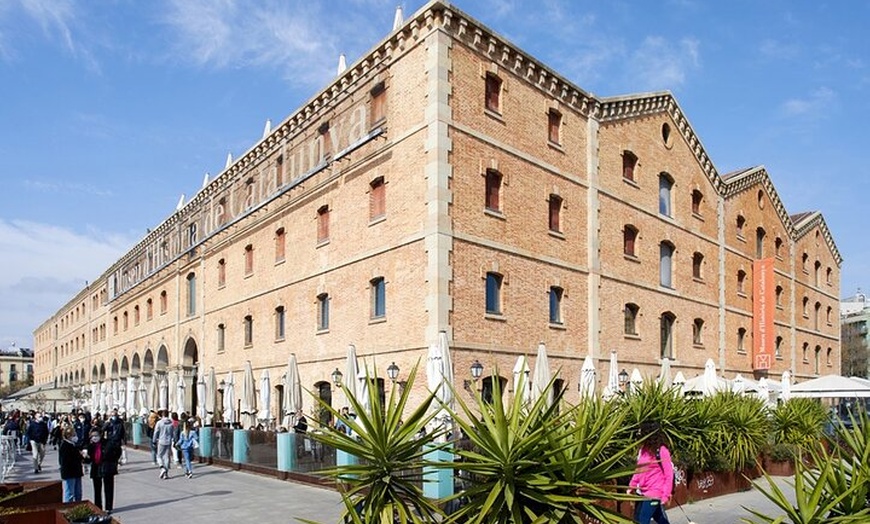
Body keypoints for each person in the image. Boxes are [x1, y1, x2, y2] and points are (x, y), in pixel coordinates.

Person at [629, 421, 674, 524]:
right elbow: (639, 470)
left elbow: (669, 474)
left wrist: (666, 495)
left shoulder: (662, 450)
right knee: (660, 519)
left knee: (642, 520)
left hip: (655, 492)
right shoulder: (644, 450)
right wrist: (632, 485)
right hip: (643, 491)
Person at [83, 427, 120, 514]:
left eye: (96, 435)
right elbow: (88, 459)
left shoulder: (108, 443)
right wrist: (85, 457)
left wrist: (114, 461)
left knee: (108, 487)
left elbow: (118, 451)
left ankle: (108, 507)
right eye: (92, 436)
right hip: (96, 468)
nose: (94, 437)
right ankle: (98, 506)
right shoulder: (90, 446)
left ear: (101, 435)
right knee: (97, 489)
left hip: (107, 467)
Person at [58, 424, 84, 502]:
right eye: (73, 435)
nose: (75, 436)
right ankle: (68, 510)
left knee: (78, 493)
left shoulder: (73, 445)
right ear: (68, 436)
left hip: (76, 472)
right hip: (69, 473)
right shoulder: (65, 446)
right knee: (69, 493)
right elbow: (64, 461)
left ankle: (78, 508)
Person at [152, 410, 174, 479]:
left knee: (159, 456)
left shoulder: (159, 423)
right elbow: (172, 432)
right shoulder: (171, 423)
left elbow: (156, 432)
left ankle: (162, 467)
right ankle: (166, 474)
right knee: (167, 457)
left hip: (161, 441)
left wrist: (154, 440)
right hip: (169, 441)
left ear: (162, 415)